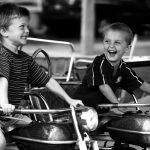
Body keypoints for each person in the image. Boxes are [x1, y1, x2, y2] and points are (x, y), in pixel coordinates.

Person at [0, 2, 84, 150]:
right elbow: (2, 80)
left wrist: (69, 99)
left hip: (12, 115)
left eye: (27, 26)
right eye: (21, 27)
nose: (27, 30)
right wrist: (4, 103)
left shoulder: (25, 59)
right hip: (4, 110)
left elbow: (47, 80)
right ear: (4, 31)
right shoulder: (2, 55)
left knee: (44, 135)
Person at [73, 22, 150, 112]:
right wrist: (117, 104)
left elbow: (141, 84)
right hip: (82, 110)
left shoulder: (124, 68)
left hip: (102, 112)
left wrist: (118, 106)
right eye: (107, 41)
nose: (111, 46)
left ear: (127, 48)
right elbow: (103, 86)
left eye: (117, 42)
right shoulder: (99, 62)